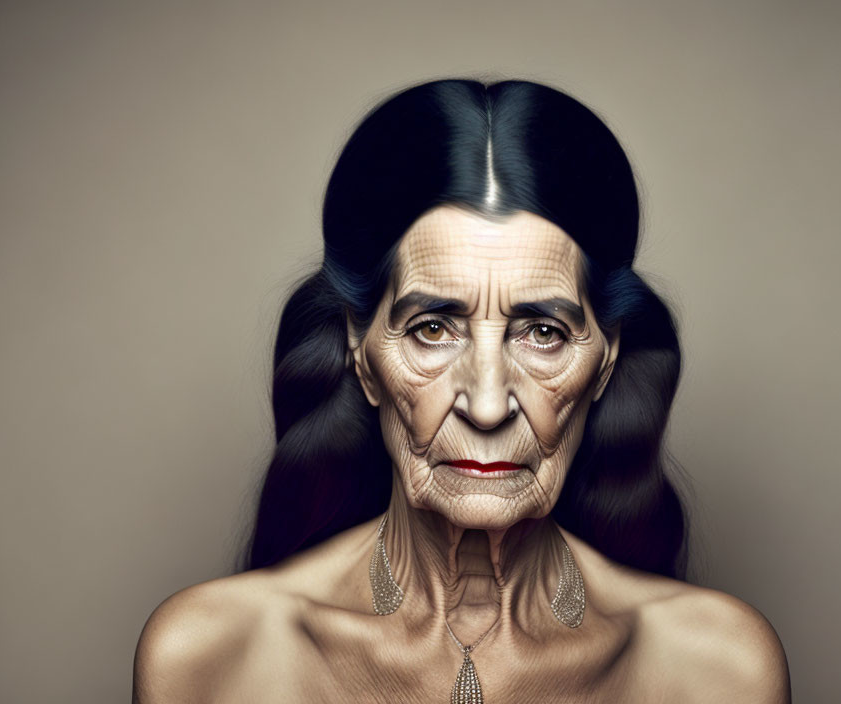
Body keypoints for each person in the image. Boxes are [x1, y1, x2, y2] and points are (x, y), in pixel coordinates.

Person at [132, 78, 791, 703]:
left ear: (607, 357)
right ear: (361, 354)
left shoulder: (720, 669)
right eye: (432, 328)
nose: (485, 405)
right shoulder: (210, 658)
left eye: (542, 333)